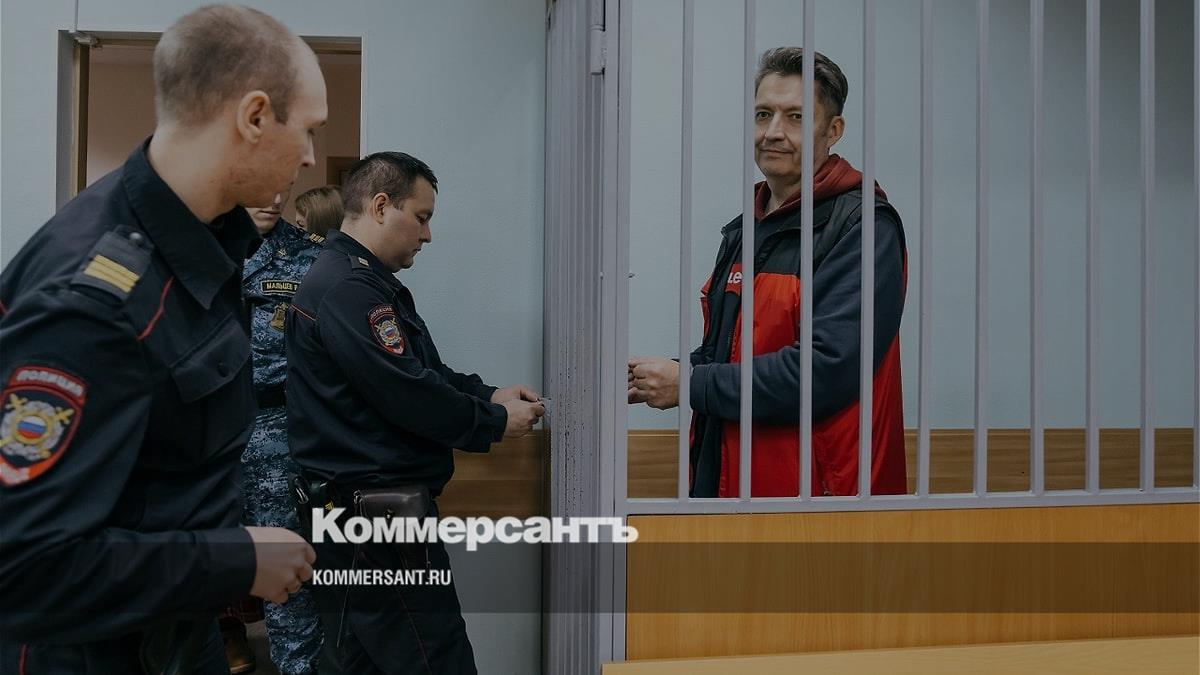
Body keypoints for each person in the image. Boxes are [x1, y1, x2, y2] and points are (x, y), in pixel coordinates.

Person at [0, 5, 328, 673]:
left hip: (174, 633)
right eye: (308, 130)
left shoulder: (206, 244)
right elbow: (25, 567)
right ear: (254, 116)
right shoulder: (96, 298)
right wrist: (236, 559)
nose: (310, 157)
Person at [286, 151, 544, 674]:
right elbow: (408, 393)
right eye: (421, 217)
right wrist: (494, 423)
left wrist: (489, 394)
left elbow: (423, 372)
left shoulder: (358, 282)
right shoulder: (349, 290)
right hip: (374, 520)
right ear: (381, 206)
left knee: (364, 662)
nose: (427, 235)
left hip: (355, 515)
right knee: (435, 659)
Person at [627, 47, 908, 498]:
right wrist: (665, 374)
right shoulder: (746, 229)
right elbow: (729, 354)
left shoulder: (862, 227)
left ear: (833, 130)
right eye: (763, 115)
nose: (773, 132)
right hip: (730, 482)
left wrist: (691, 385)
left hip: (822, 503)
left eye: (795, 117)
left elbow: (826, 371)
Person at [220, 190, 328, 674]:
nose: (274, 198)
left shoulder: (310, 257)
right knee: (187, 567)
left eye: (283, 186)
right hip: (198, 437)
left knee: (287, 577)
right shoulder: (187, 246)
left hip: (276, 433)